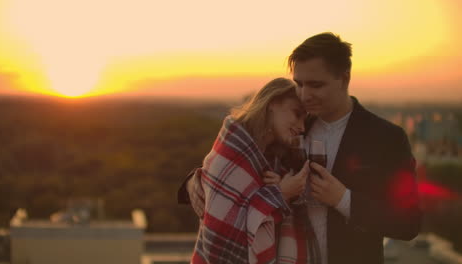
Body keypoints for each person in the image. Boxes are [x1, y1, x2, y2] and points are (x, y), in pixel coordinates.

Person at [179, 32, 422, 264]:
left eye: (316, 85)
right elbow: (236, 163)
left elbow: (408, 223)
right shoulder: (291, 125)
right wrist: (194, 180)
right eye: (299, 83)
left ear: (345, 79)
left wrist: (343, 199)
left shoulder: (386, 138)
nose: (304, 95)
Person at [189, 78, 320, 264]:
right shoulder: (234, 150)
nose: (302, 127)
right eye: (297, 114)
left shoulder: (272, 158)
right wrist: (280, 194)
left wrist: (281, 187)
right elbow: (219, 239)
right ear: (273, 102)